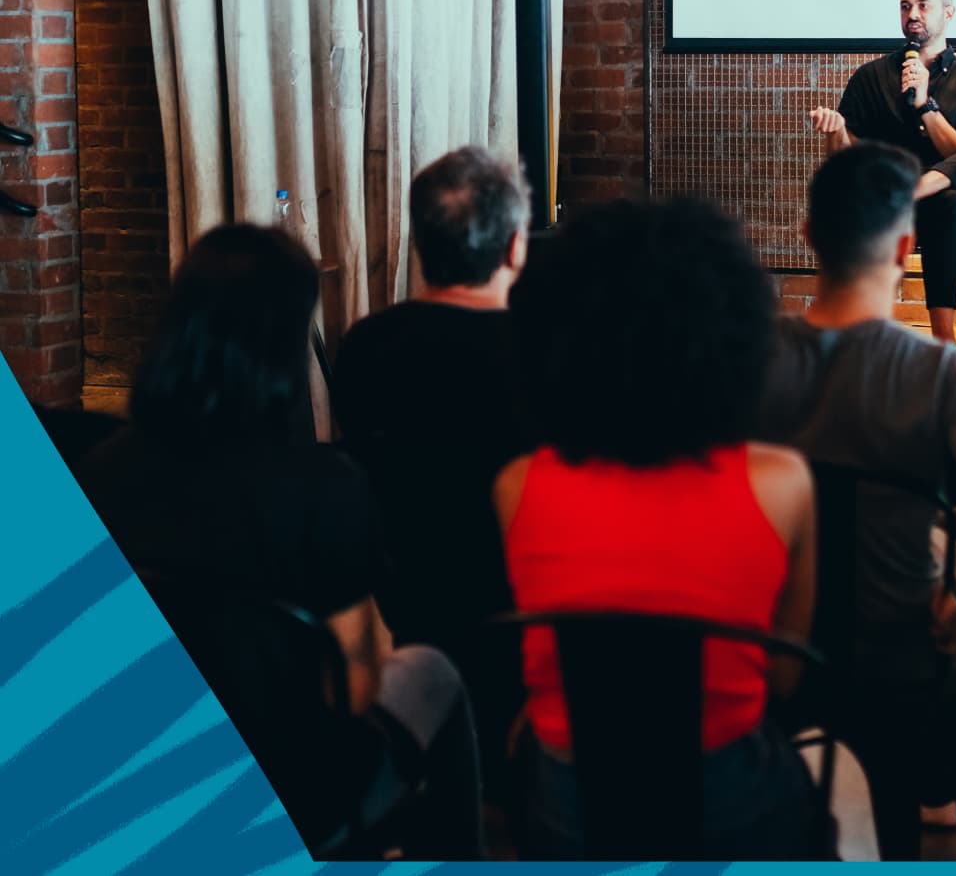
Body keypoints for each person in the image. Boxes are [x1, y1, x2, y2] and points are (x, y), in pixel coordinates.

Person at [77, 224, 483, 859]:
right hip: (305, 796)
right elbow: (352, 690)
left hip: (151, 782)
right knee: (432, 671)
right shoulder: (327, 489)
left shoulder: (100, 471)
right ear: (289, 336)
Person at [495, 196, 819, 860]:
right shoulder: (781, 481)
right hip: (729, 804)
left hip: (568, 809)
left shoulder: (519, 484)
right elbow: (783, 679)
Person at [755, 142, 956, 847]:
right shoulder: (943, 375)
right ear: (905, 249)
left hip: (769, 646)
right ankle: (940, 773)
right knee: (954, 573)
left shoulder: (747, 355)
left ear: (809, 238)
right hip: (895, 654)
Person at [332, 146, 532, 789]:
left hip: (410, 601)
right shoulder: (547, 355)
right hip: (521, 616)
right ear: (516, 249)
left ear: (419, 242)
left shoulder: (365, 348)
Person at [808, 0, 956, 344]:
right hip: (894, 211)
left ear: (949, 13)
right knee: (949, 199)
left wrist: (926, 105)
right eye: (905, 6)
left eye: (923, 5)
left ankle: (918, 185)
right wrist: (836, 133)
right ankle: (946, 344)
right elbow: (844, 166)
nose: (913, 14)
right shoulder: (870, 78)